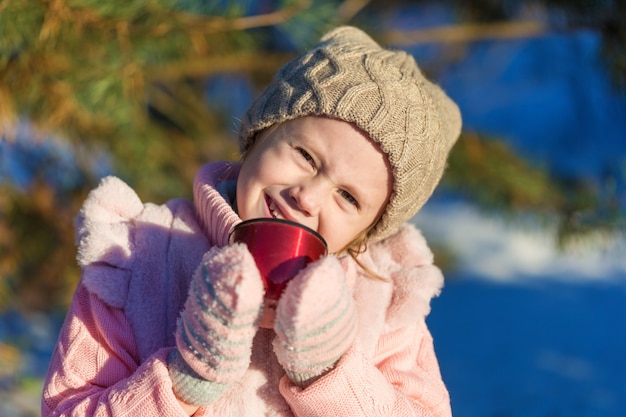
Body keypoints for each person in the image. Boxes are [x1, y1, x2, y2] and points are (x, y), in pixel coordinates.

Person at [42, 25, 462, 416]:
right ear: (260, 132)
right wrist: (186, 379)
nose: (308, 196)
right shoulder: (139, 257)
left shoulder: (382, 300)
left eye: (348, 197)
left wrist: (329, 369)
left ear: (370, 230)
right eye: (305, 156)